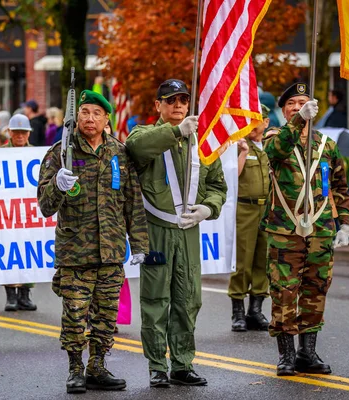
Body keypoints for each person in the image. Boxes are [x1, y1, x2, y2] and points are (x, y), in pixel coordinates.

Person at [38, 90, 149, 393]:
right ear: (76, 116)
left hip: (111, 251)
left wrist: (139, 245)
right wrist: (58, 187)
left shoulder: (119, 152)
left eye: (96, 113)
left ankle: (97, 366)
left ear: (106, 119)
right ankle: (75, 368)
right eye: (85, 112)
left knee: (105, 315)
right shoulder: (60, 152)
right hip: (75, 252)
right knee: (75, 314)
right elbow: (45, 206)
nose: (90, 118)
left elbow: (132, 203)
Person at [126, 79, 228, 388]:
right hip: (157, 230)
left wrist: (208, 208)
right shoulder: (145, 134)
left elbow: (217, 186)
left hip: (188, 231)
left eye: (183, 100)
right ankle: (157, 365)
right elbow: (136, 149)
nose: (179, 105)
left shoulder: (203, 142)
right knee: (156, 299)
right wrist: (176, 132)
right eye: (171, 100)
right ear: (158, 106)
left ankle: (182, 363)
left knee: (187, 299)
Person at [263, 83, 349, 376]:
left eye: (303, 102)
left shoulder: (326, 144)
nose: (298, 106)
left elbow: (340, 186)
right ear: (283, 109)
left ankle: (307, 353)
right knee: (284, 292)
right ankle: (286, 355)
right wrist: (298, 119)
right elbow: (276, 151)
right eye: (292, 103)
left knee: (316, 290)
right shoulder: (275, 136)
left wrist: (346, 224)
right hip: (285, 232)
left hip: (321, 230)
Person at [228, 105, 271, 332]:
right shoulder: (239, 145)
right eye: (249, 120)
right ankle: (238, 311)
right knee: (242, 261)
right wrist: (243, 152)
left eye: (257, 120)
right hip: (244, 209)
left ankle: (256, 310)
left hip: (267, 210)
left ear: (266, 122)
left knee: (262, 261)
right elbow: (231, 177)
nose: (253, 125)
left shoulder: (271, 148)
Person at [0, 114, 38, 312]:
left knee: (29, 253)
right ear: (10, 133)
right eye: (17, 132)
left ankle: (25, 295)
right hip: (7, 213)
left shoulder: (37, 154)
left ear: (29, 133)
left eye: (24, 132)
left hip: (29, 212)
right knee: (9, 252)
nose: (20, 136)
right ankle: (11, 296)